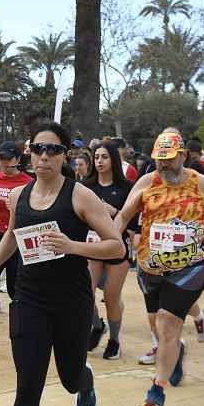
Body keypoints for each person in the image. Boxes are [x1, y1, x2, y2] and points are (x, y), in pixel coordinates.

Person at [0, 122, 123, 406]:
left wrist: (74, 245)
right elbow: (12, 235)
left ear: (67, 156)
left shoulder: (80, 196)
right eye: (38, 149)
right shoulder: (19, 195)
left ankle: (83, 377)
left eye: (53, 150)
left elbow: (116, 248)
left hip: (71, 304)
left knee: (66, 379)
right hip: (29, 301)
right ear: (30, 153)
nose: (44, 157)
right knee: (28, 386)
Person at [116, 131, 204, 406]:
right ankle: (175, 353)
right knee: (157, 324)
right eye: (158, 160)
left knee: (167, 322)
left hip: (189, 267)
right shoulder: (146, 182)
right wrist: (113, 241)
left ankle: (157, 390)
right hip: (150, 264)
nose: (163, 165)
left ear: (183, 156)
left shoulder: (202, 184)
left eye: (168, 160)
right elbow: (124, 216)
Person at [85, 140, 137, 360]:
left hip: (118, 248)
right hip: (91, 245)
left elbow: (134, 224)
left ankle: (114, 340)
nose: (99, 162)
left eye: (104, 157)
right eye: (96, 157)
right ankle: (97, 326)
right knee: (84, 293)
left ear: (114, 159)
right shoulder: (86, 186)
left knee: (111, 297)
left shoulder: (127, 187)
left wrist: (115, 211)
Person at [0, 140, 33, 353]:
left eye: (7, 159)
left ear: (18, 160)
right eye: (0, 158)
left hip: (15, 241)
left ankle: (24, 335)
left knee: (15, 290)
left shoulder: (29, 182)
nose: (2, 163)